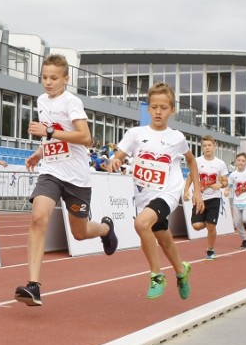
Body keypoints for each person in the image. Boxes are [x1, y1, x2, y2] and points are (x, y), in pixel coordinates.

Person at [15, 54, 118, 306]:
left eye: (53, 78)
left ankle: (105, 229)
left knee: (80, 233)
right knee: (39, 217)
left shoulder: (72, 102)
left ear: (65, 79)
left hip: (76, 177)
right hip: (51, 171)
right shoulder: (41, 100)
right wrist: (40, 152)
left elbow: (85, 137)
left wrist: (48, 131)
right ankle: (34, 285)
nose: (48, 83)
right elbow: (52, 138)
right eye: (44, 77)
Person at [108, 81, 202, 299]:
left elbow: (192, 162)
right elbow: (119, 154)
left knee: (141, 224)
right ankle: (181, 271)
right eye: (154, 107)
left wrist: (197, 191)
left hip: (167, 192)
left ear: (172, 110)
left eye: (164, 108)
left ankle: (156, 275)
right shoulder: (135, 134)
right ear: (148, 108)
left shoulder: (177, 138)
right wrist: (114, 161)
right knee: (164, 239)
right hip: (144, 195)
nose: (158, 112)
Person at [183, 135, 228, 260]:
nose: (207, 148)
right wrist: (186, 190)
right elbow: (191, 177)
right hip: (199, 198)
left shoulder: (220, 164)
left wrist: (220, 184)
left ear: (214, 146)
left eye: (209, 145)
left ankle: (210, 250)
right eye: (204, 146)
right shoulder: (197, 161)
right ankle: (208, 223)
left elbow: (225, 181)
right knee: (196, 226)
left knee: (211, 226)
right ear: (202, 148)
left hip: (214, 198)